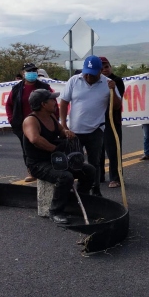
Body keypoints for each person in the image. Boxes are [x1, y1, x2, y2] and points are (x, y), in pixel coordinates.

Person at [22, 89, 95, 224]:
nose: (55, 102)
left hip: (56, 160)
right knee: (65, 176)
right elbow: (35, 139)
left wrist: (67, 133)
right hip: (38, 164)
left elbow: (61, 131)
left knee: (88, 170)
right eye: (52, 100)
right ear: (43, 104)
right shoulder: (31, 120)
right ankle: (55, 211)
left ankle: (76, 203)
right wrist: (55, 150)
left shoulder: (50, 117)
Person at [59, 55, 122, 197]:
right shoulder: (74, 80)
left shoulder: (108, 83)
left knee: (95, 162)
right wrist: (63, 125)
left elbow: (117, 106)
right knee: (74, 161)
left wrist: (112, 91)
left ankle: (96, 189)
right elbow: (63, 102)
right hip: (74, 130)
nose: (88, 76)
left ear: (100, 71)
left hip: (95, 129)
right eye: (86, 72)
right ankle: (78, 190)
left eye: (92, 74)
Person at [6, 63, 54, 182]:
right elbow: (9, 105)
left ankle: (48, 169)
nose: (32, 73)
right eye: (29, 71)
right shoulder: (17, 89)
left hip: (43, 123)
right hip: (23, 125)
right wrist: (12, 120)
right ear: (23, 73)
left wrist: (53, 120)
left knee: (44, 145)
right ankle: (32, 171)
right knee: (27, 149)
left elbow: (54, 104)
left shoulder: (45, 87)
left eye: (34, 70)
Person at [98, 56, 125, 188]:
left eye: (107, 66)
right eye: (101, 67)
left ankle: (116, 177)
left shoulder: (117, 81)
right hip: (98, 120)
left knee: (113, 150)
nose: (104, 69)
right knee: (98, 150)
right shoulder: (96, 81)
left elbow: (117, 103)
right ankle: (99, 175)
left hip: (112, 120)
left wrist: (112, 89)